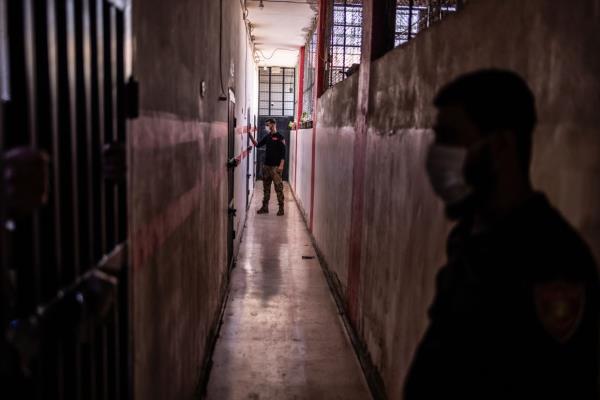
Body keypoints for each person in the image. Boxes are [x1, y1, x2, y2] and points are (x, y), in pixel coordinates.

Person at [404, 69, 600, 399]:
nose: (437, 155)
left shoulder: (553, 260)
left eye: (450, 138)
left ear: (500, 146)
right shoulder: (468, 236)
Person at [249, 118, 286, 216]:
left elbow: (283, 152)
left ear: (273, 124)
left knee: (278, 188)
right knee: (266, 188)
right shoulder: (268, 137)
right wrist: (250, 135)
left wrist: (281, 165)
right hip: (266, 166)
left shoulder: (280, 137)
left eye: (268, 124)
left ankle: (281, 208)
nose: (267, 126)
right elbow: (257, 145)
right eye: (266, 125)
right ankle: (265, 208)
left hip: (276, 167)